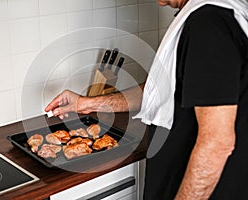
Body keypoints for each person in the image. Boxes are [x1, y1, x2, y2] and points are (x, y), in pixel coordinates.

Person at [45, 0, 248, 199]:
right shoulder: (219, 16)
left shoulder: (208, 24)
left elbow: (217, 143)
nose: (159, 3)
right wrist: (86, 103)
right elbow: (161, 90)